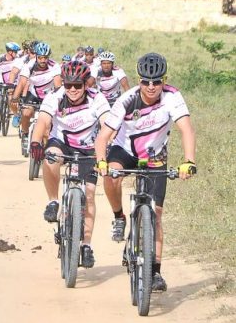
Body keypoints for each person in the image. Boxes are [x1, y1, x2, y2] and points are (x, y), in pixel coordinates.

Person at [94, 53, 196, 292]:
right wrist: (101, 161)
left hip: (155, 155)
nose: (151, 87)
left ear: (164, 80)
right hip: (125, 149)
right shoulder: (127, 100)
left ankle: (156, 272)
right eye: (146, 81)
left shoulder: (173, 96)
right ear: (139, 80)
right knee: (111, 174)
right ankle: (119, 216)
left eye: (157, 81)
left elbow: (187, 130)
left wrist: (189, 161)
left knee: (157, 214)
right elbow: (103, 137)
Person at [31, 61, 110, 268]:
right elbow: (43, 122)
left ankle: (86, 245)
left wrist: (107, 147)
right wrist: (35, 142)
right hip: (63, 143)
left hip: (88, 148)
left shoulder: (97, 98)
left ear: (86, 85)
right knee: (51, 156)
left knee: (90, 195)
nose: (72, 90)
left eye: (77, 85)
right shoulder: (55, 97)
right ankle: (53, 201)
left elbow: (107, 124)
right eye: (68, 85)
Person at [11, 42, 62, 151]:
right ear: (36, 56)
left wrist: (59, 102)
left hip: (49, 96)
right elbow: (22, 83)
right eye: (40, 58)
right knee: (26, 113)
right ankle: (25, 134)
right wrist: (14, 98)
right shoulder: (29, 65)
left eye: (45, 58)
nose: (43, 60)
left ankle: (46, 147)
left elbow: (58, 85)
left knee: (47, 126)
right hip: (33, 94)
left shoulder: (54, 66)